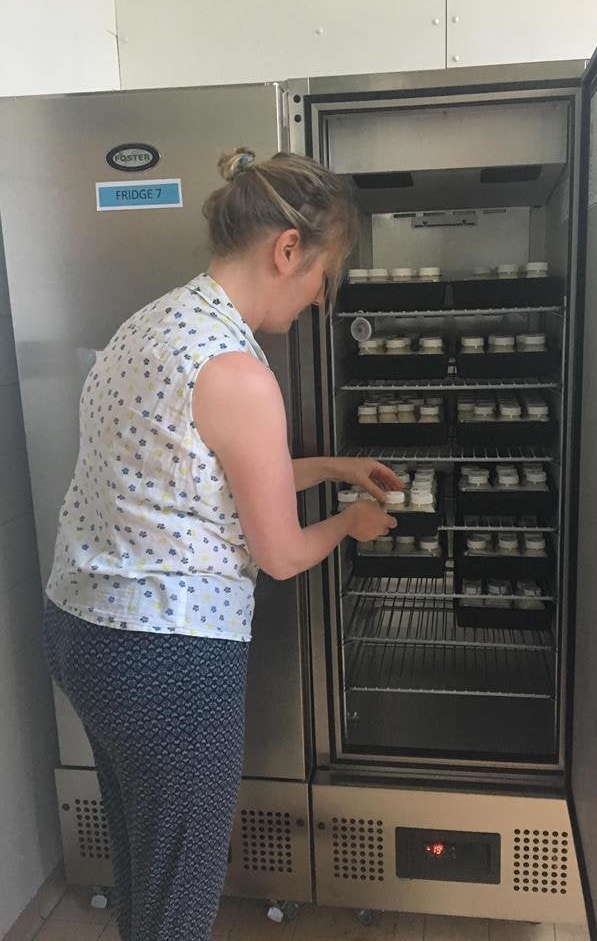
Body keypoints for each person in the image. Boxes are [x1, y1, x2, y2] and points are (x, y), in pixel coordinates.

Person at [43, 146, 400, 941]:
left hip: (81, 636)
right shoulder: (238, 369)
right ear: (286, 250)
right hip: (167, 662)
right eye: (323, 278)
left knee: (145, 863)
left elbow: (215, 470)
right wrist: (348, 522)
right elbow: (278, 554)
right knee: (182, 898)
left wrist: (338, 465)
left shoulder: (151, 323)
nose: (315, 301)